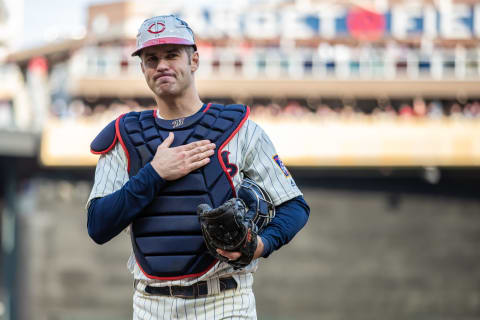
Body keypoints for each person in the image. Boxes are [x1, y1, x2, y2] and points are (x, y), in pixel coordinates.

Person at [86, 15, 309, 319]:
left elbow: (294, 206)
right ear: (142, 69)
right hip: (151, 305)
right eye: (151, 59)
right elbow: (98, 225)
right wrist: (155, 174)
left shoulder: (238, 128)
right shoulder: (125, 135)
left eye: (172, 55)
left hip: (225, 300)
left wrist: (261, 244)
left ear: (194, 60)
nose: (161, 65)